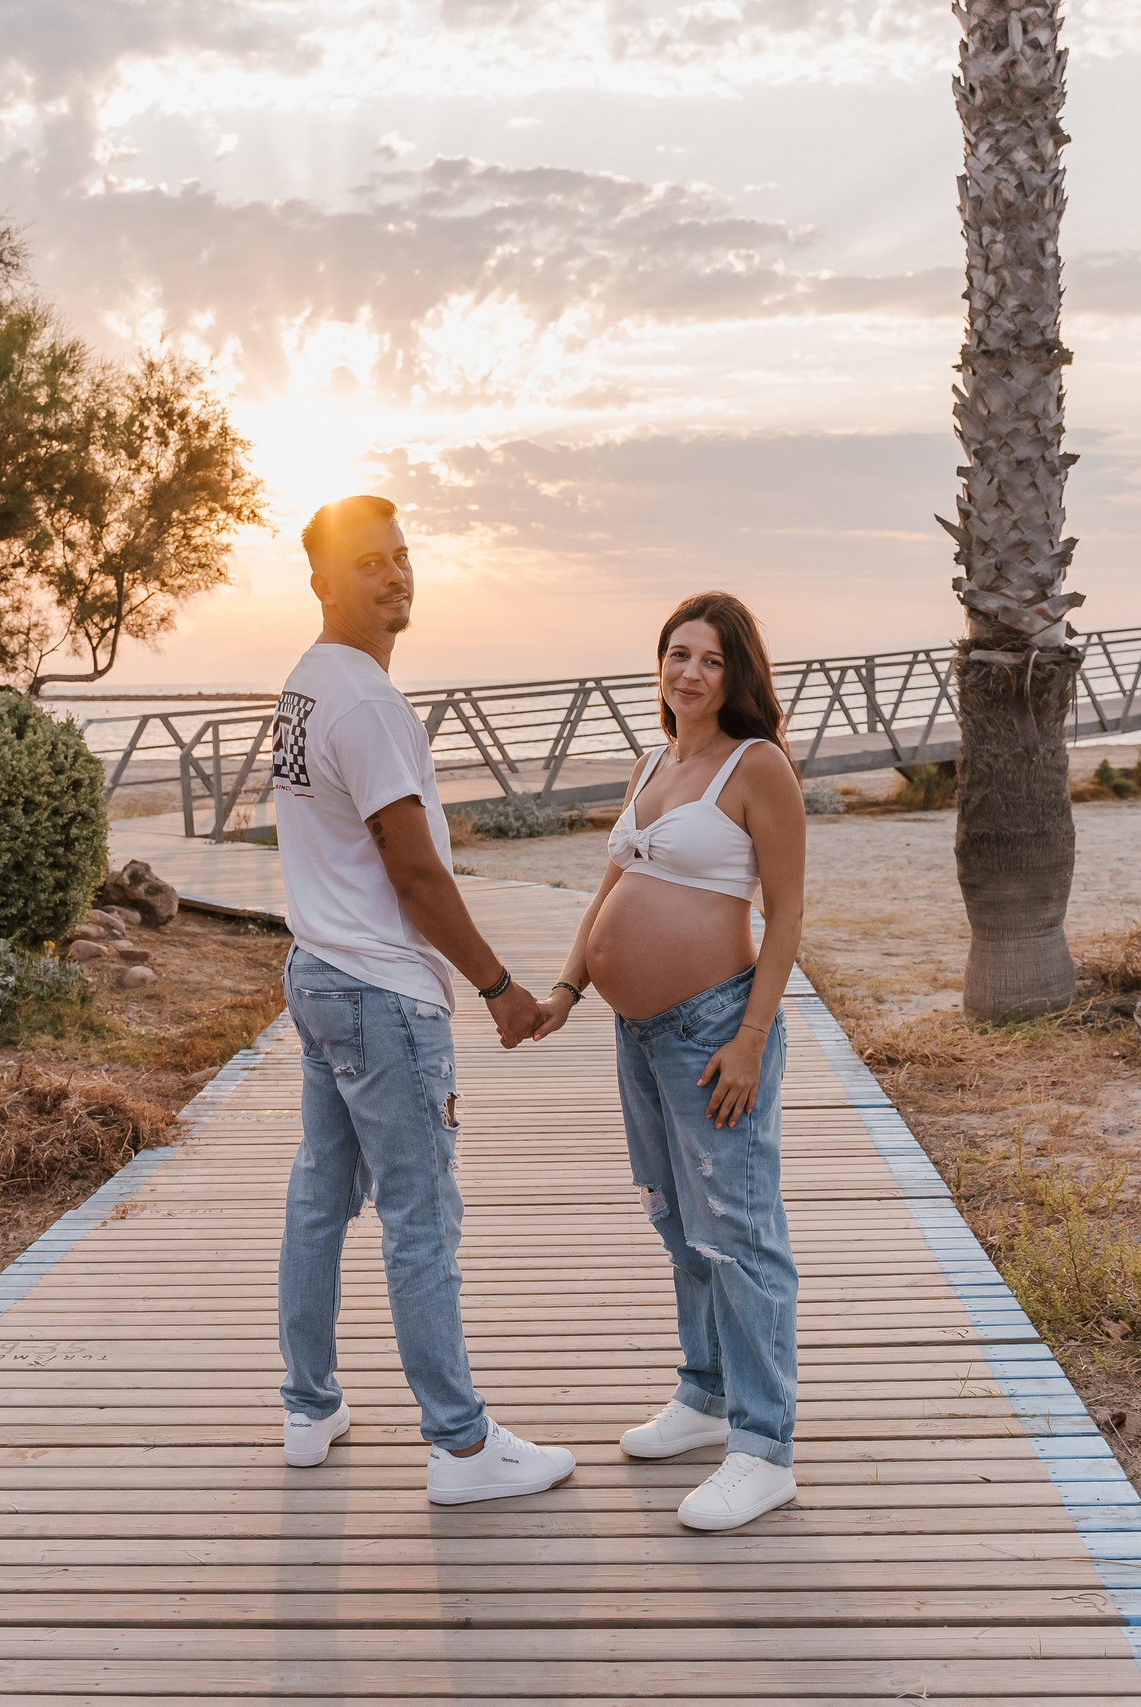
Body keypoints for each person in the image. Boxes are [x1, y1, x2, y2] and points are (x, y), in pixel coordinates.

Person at [269, 493, 577, 1506]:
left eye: (402, 557)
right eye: (369, 563)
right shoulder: (364, 702)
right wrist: (497, 986)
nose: (395, 575)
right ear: (321, 580)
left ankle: (309, 1408)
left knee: (321, 1198)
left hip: (317, 973)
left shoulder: (306, 687)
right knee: (420, 1219)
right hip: (379, 992)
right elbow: (416, 876)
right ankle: (459, 1446)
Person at [531, 592, 807, 1531]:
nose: (690, 672)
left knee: (738, 1227)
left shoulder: (755, 765)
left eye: (712, 660)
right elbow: (616, 880)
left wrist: (750, 1039)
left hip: (714, 1027)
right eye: (677, 654)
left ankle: (765, 1447)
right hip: (639, 1032)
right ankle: (706, 1394)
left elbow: (788, 915)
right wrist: (569, 985)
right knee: (677, 1219)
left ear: (738, 675)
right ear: (659, 665)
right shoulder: (655, 762)